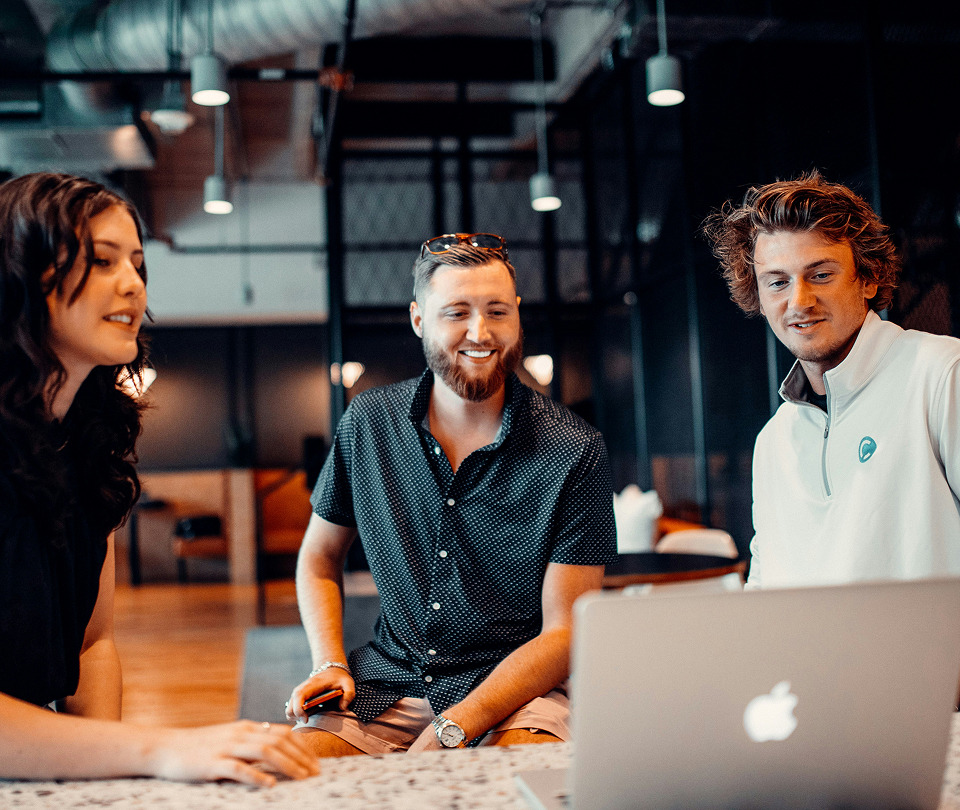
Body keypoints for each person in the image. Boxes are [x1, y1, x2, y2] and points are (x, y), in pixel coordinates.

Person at [0, 172, 319, 785]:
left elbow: (93, 645)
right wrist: (156, 751)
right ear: (22, 275)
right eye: (102, 261)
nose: (133, 283)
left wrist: (105, 783)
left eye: (137, 263)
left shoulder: (87, 448)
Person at [286, 232, 617, 755]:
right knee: (293, 776)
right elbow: (319, 558)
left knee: (500, 783)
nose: (479, 333)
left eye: (497, 312)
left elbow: (565, 632)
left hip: (516, 692)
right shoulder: (368, 423)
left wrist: (454, 728)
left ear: (517, 315)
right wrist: (329, 662)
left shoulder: (576, 449)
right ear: (419, 319)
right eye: (456, 312)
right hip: (386, 683)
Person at [703, 170, 960, 589]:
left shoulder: (942, 374)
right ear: (759, 298)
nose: (799, 301)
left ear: (868, 278)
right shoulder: (774, 441)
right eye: (778, 283)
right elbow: (763, 590)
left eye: (821, 275)